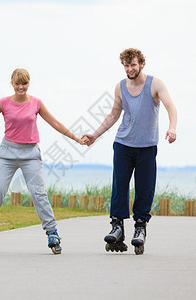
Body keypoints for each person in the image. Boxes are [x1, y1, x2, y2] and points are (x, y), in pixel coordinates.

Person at [0, 68, 87, 255]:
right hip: (6, 153)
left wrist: (76, 139)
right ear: (12, 83)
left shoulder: (36, 103)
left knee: (39, 194)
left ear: (29, 83)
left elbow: (55, 123)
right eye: (17, 83)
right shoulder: (3, 103)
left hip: (30, 154)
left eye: (24, 83)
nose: (21, 87)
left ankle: (52, 233)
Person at [82, 48, 177, 255]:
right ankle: (117, 227)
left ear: (141, 63)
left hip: (147, 147)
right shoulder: (120, 87)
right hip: (123, 144)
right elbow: (113, 115)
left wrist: (172, 127)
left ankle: (140, 226)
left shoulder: (155, 84)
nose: (130, 69)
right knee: (119, 185)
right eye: (126, 65)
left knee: (145, 187)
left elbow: (170, 107)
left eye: (133, 64)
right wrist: (95, 135)